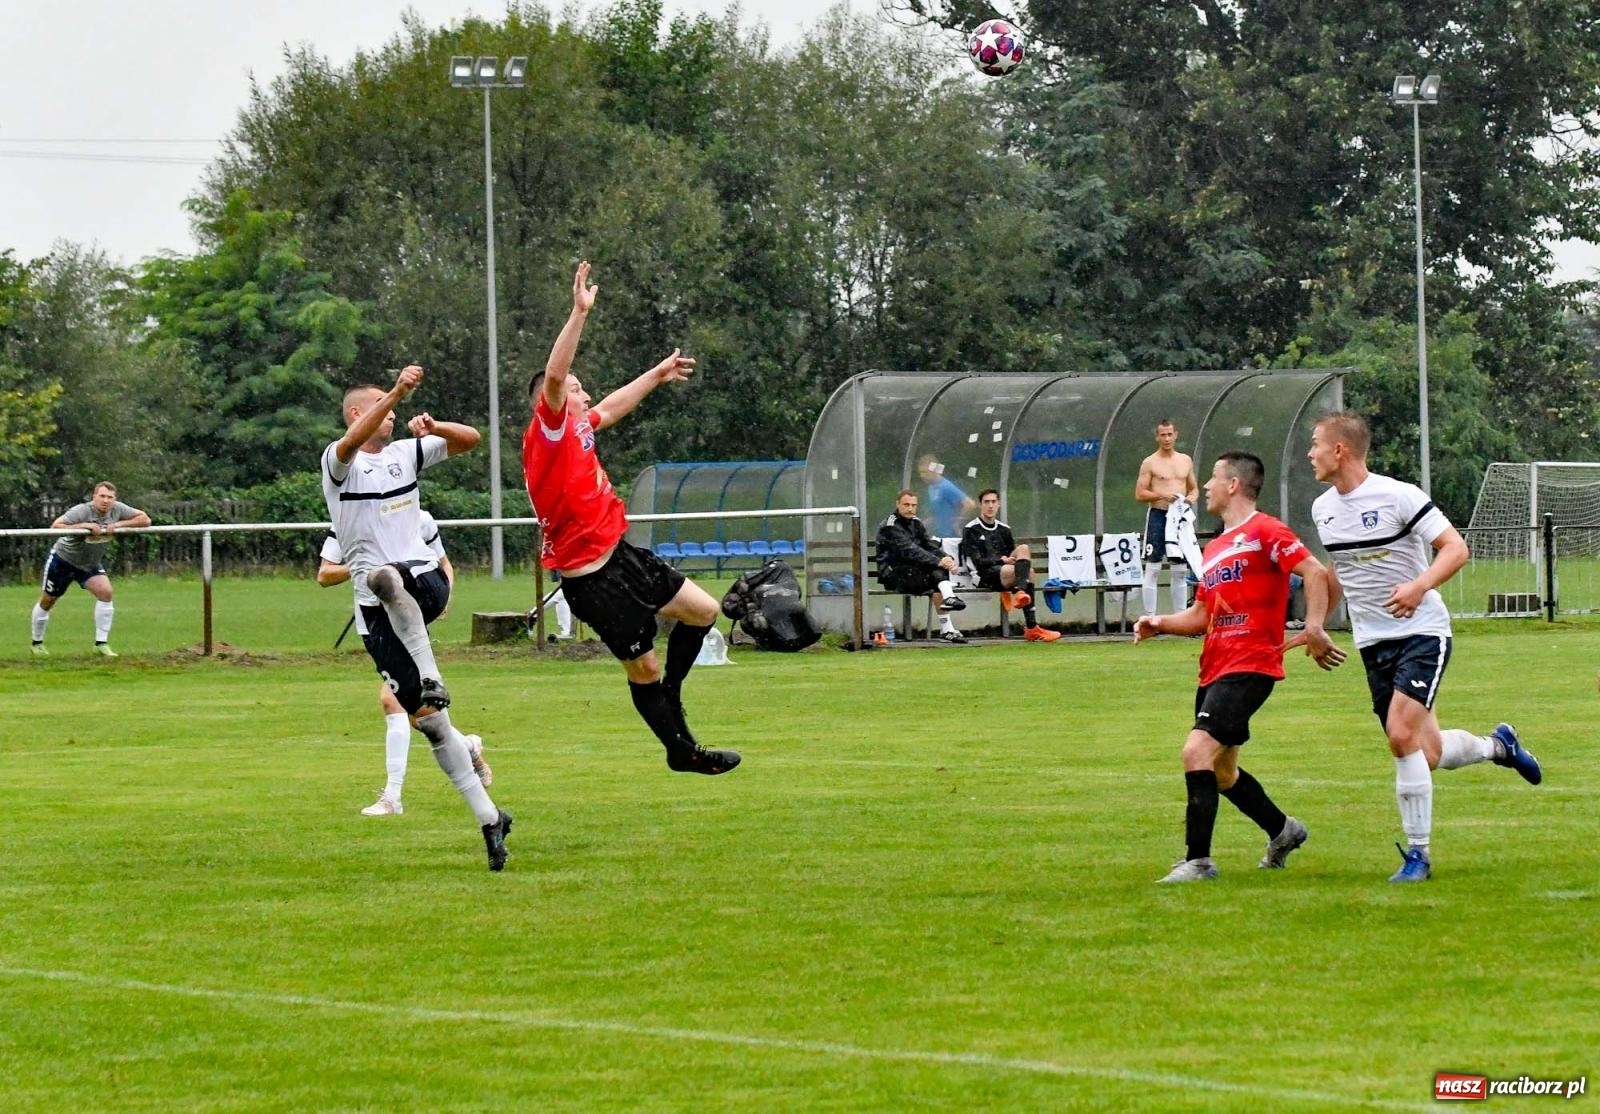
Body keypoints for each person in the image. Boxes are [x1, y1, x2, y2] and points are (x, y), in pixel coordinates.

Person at [522, 260, 739, 774]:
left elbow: (613, 407)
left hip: (622, 556)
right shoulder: (547, 433)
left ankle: (673, 697)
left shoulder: (576, 430)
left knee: (705, 611)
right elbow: (555, 377)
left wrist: (657, 376)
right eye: (578, 390)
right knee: (642, 666)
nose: (584, 395)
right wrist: (578, 313)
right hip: (592, 579)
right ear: (551, 403)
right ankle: (681, 751)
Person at [1307, 411, 1543, 883]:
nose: (1309, 453)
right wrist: (1315, 625)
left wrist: (1418, 587)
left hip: (1422, 632)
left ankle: (1418, 856)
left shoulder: (1399, 495)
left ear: (1340, 450)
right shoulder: (1323, 508)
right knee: (1426, 752)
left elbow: (1455, 548)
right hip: (1373, 642)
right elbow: (1339, 571)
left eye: (1315, 444)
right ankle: (1498, 746)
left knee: (1399, 735)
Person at [320, 368, 513, 870]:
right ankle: (490, 819)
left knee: (384, 576)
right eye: (382, 405)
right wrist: (398, 393)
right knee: (431, 725)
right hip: (377, 617)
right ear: (359, 414)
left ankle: (431, 677)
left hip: (423, 581)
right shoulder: (337, 462)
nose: (394, 413)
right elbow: (351, 444)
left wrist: (436, 427)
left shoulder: (407, 453)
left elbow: (471, 440)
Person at [1135, 450, 1343, 884]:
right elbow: (1200, 616)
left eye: (1212, 477)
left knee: (1196, 752)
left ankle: (1199, 861)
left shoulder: (1266, 530)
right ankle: (1283, 830)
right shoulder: (1214, 548)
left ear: (1233, 485)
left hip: (1251, 665)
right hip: (1214, 667)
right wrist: (1158, 623)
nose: (1205, 485)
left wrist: (1315, 626)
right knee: (1223, 771)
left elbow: (1315, 573)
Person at [317, 506, 493, 816]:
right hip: (372, 626)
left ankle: (392, 798)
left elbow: (444, 564)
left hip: (406, 623)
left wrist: (444, 598)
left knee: (391, 700)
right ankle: (468, 747)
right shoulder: (346, 521)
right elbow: (325, 574)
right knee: (419, 715)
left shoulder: (418, 518)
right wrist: (361, 567)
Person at [32, 482, 151, 658]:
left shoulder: (117, 510)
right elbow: (56, 526)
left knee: (106, 592)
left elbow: (145, 520)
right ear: (94, 497)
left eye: (110, 497)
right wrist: (84, 526)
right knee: (48, 600)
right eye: (102, 496)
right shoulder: (82, 510)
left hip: (89, 564)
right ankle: (37, 643)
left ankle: (101, 644)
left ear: (114, 499)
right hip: (63, 560)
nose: (106, 501)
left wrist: (117, 525)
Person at [959, 488, 1061, 642]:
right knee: (1029, 573)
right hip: (984, 575)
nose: (990, 506)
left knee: (1024, 551)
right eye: (987, 502)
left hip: (1006, 573)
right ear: (981, 505)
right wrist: (1002, 560)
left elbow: (1015, 558)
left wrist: (1008, 561)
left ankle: (1021, 594)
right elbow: (978, 562)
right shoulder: (971, 529)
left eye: (994, 502)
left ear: (999, 504)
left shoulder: (1004, 529)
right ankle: (1032, 626)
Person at [876, 489, 968, 644]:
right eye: (906, 505)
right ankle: (949, 605)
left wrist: (946, 557)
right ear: (897, 504)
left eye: (913, 505)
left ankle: (948, 624)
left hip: (914, 572)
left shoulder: (916, 522)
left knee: (938, 571)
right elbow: (910, 550)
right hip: (894, 575)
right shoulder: (890, 525)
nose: (910, 508)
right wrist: (938, 561)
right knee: (936, 571)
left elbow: (928, 545)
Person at [1134, 419, 1199, 618]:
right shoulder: (1150, 462)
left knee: (1179, 568)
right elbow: (1139, 494)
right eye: (1163, 435)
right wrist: (1162, 496)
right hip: (1159, 515)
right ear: (1157, 437)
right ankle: (1150, 618)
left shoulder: (1185, 460)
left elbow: (1194, 488)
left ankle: (1180, 617)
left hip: (1178, 518)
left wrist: (1189, 499)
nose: (1167, 438)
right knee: (1153, 567)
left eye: (1170, 434)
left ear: (1176, 434)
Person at [917, 454, 976, 538]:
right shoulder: (931, 487)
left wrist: (957, 523)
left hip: (950, 536)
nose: (922, 475)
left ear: (934, 470)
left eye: (925, 472)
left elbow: (970, 504)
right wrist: (928, 522)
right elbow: (942, 511)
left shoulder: (945, 486)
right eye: (920, 472)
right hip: (939, 534)